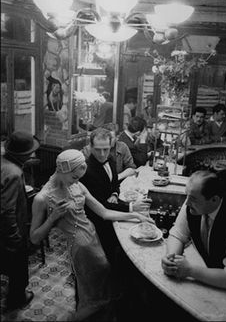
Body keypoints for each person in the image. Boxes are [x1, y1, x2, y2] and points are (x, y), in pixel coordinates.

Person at [30, 149, 152, 321]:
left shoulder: (77, 184)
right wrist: (52, 218)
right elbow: (34, 238)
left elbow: (104, 212)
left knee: (104, 282)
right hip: (77, 248)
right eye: (74, 177)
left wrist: (135, 216)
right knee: (90, 293)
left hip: (93, 238)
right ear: (62, 170)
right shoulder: (42, 198)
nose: (76, 182)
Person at [80, 128, 151, 263]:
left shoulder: (111, 159)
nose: (102, 154)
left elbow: (114, 184)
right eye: (97, 149)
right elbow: (100, 205)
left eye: (106, 149)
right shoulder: (86, 170)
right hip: (97, 220)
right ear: (90, 147)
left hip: (112, 209)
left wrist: (114, 193)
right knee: (109, 255)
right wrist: (131, 207)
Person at [161, 170, 226, 290]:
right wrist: (171, 259)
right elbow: (178, 233)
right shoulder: (192, 203)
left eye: (193, 199)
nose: (187, 203)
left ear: (214, 200)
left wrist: (190, 270)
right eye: (187, 196)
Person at [1, 130, 40, 310]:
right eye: (30, 152)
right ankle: (17, 298)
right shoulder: (14, 173)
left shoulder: (4, 163)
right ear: (22, 155)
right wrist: (15, 236)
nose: (33, 154)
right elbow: (6, 210)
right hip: (10, 231)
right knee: (18, 269)